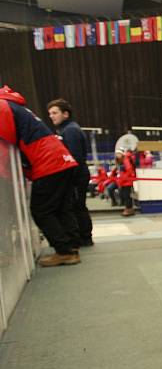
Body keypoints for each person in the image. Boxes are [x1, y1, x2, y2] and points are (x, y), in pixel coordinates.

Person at [0, 85, 82, 266]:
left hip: (47, 163)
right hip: (60, 159)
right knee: (61, 208)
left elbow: (5, 145)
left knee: (41, 210)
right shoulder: (14, 105)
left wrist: (6, 172)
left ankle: (65, 251)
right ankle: (72, 248)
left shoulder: (2, 107)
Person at [47, 98, 93, 246]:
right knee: (76, 206)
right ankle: (83, 236)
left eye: (55, 113)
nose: (51, 116)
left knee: (78, 206)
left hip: (76, 176)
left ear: (65, 114)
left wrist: (70, 179)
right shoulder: (65, 130)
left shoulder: (71, 130)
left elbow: (75, 157)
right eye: (50, 113)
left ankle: (85, 237)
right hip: (75, 175)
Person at [112, 148, 136, 216]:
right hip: (123, 181)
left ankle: (129, 210)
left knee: (127, 196)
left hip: (126, 181)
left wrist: (123, 178)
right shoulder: (119, 161)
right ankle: (128, 208)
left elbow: (129, 170)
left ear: (122, 154)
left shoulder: (125, 160)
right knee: (125, 196)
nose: (117, 155)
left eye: (118, 153)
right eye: (116, 154)